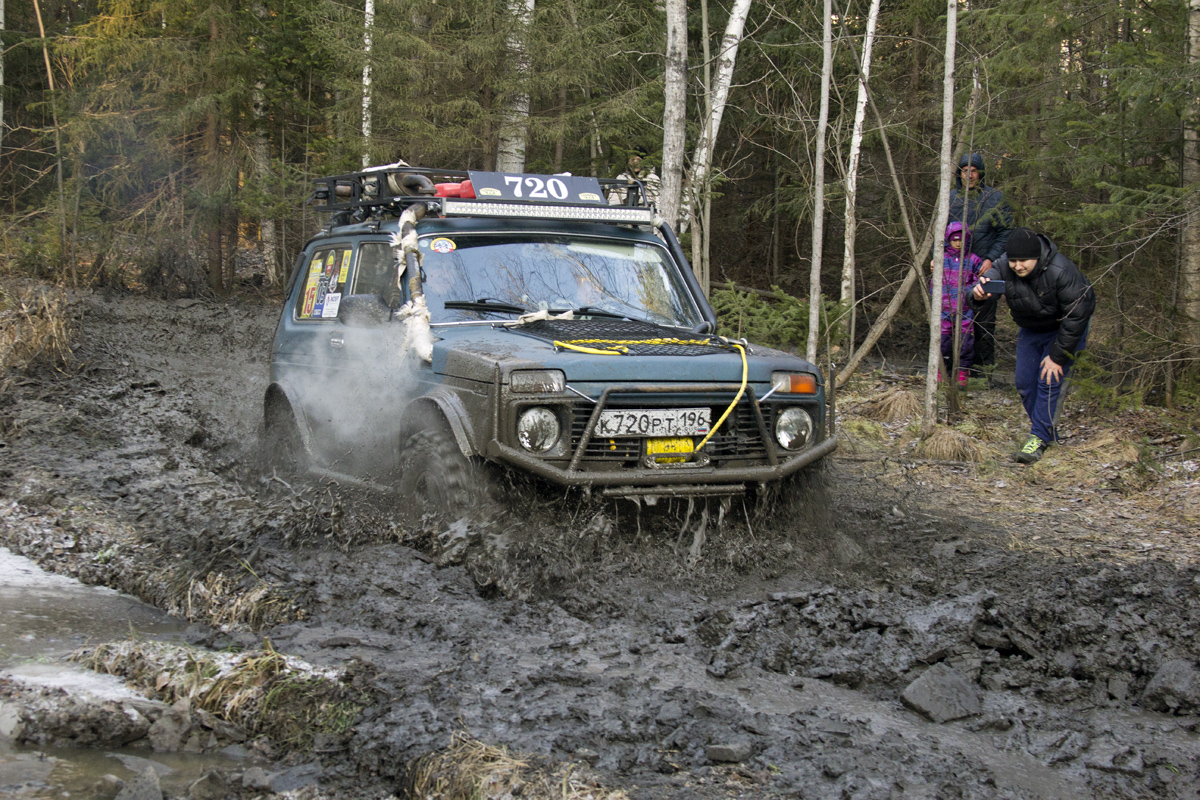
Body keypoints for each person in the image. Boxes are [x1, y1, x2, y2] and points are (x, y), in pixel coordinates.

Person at [971, 227, 1095, 464]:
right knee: (1025, 383)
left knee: (1049, 379)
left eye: (1023, 261)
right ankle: (1047, 435)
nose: (1017, 266)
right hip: (1032, 327)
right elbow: (989, 279)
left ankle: (1038, 439)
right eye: (1013, 261)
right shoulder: (1005, 265)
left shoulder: (1061, 271)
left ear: (1037, 257)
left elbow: (1078, 316)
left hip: (1066, 328)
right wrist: (978, 294)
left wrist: (1057, 356)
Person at [949, 153, 1013, 377]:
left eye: (974, 171)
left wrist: (991, 259)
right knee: (952, 320)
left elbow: (1005, 233)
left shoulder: (995, 198)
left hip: (984, 270)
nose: (969, 175)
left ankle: (983, 373)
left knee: (983, 322)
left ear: (981, 173)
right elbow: (940, 232)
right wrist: (937, 257)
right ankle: (953, 369)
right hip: (954, 270)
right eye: (965, 170)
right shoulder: (950, 199)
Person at [936, 221, 983, 387]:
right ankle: (941, 372)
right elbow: (935, 282)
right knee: (943, 342)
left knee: (965, 343)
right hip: (944, 309)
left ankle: (962, 373)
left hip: (965, 309)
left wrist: (971, 294)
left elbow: (979, 280)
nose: (958, 243)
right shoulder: (942, 259)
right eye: (954, 240)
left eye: (961, 240)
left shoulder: (973, 260)